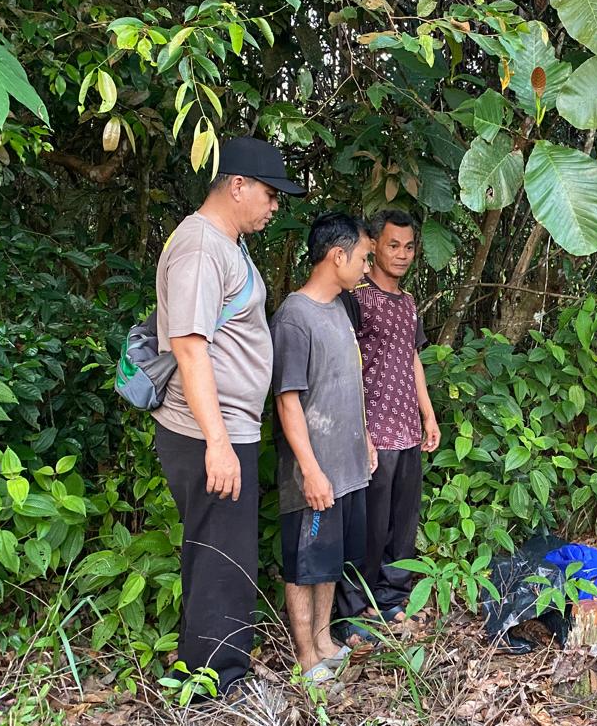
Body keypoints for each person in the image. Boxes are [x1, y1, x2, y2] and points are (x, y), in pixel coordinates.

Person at [152, 135, 306, 695]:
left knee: (217, 552)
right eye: (269, 194)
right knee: (223, 558)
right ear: (236, 185)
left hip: (226, 427)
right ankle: (217, 681)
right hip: (205, 432)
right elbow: (190, 347)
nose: (273, 206)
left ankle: (200, 667)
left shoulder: (226, 242)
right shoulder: (200, 248)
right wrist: (218, 442)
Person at [271, 213, 378, 682]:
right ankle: (305, 656)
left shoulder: (341, 306)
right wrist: (311, 470)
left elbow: (348, 381)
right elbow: (287, 399)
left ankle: (323, 640)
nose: (367, 268)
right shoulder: (294, 317)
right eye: (363, 258)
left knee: (329, 559)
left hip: (347, 465)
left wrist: (367, 440)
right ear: (337, 256)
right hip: (310, 471)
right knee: (303, 563)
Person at [341, 209, 441, 630]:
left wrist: (428, 415)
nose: (402, 254)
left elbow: (412, 358)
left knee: (403, 522)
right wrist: (359, 427)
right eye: (392, 245)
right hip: (373, 430)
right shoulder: (356, 297)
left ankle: (392, 596)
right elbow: (345, 362)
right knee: (369, 525)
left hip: (407, 429)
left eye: (409, 246)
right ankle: (354, 604)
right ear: (375, 246)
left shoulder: (409, 302)